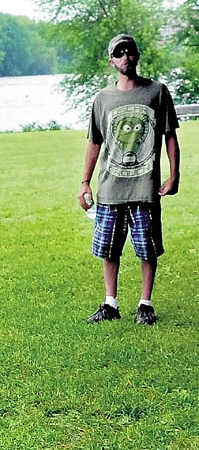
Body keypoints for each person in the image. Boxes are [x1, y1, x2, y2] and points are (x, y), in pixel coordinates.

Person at [79, 33, 180, 325]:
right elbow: (94, 142)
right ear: (111, 61)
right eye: (119, 53)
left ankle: (145, 304)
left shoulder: (157, 92)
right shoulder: (102, 99)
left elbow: (169, 136)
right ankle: (110, 303)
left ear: (137, 55)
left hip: (145, 187)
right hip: (110, 188)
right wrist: (85, 182)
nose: (126, 57)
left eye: (130, 51)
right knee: (109, 249)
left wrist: (174, 175)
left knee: (147, 248)